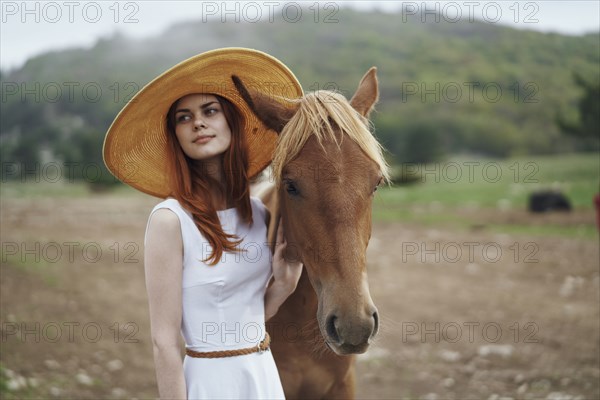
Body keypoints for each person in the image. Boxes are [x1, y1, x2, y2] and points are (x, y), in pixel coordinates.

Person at [103, 48, 304, 399]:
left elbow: (250, 317)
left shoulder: (261, 215)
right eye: (184, 117)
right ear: (177, 137)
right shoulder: (170, 221)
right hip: (209, 382)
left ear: (231, 122)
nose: (197, 122)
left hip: (262, 375)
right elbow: (163, 341)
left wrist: (284, 286)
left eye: (209, 111)